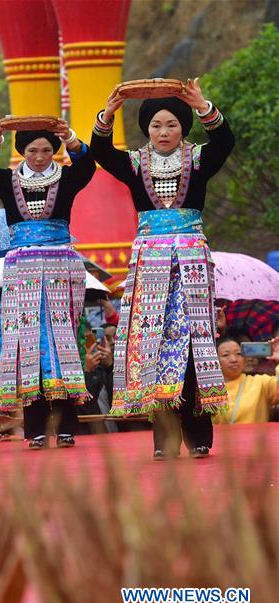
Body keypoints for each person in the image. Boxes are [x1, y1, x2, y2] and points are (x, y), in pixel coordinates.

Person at [92, 78, 235, 459]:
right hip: (150, 261)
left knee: (192, 346)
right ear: (147, 130)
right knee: (152, 346)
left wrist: (204, 105)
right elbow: (100, 151)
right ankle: (165, 440)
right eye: (156, 125)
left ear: (182, 128)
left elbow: (225, 143)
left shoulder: (199, 159)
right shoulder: (135, 163)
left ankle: (199, 436)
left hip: (190, 258)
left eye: (171, 124)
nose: (164, 132)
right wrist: (108, 113)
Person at [0, 118, 95, 449]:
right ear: (22, 152)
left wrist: (70, 136)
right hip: (22, 270)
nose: (39, 156)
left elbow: (87, 166)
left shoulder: (67, 179)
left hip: (61, 266)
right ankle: (36, 429)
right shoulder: (8, 181)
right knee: (26, 345)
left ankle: (67, 425)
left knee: (61, 343)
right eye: (32, 150)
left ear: (54, 151)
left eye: (45, 150)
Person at [212, 337, 278, 425]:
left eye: (238, 354)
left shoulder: (260, 382)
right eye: (226, 355)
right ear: (215, 361)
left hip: (256, 438)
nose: (234, 359)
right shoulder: (208, 389)